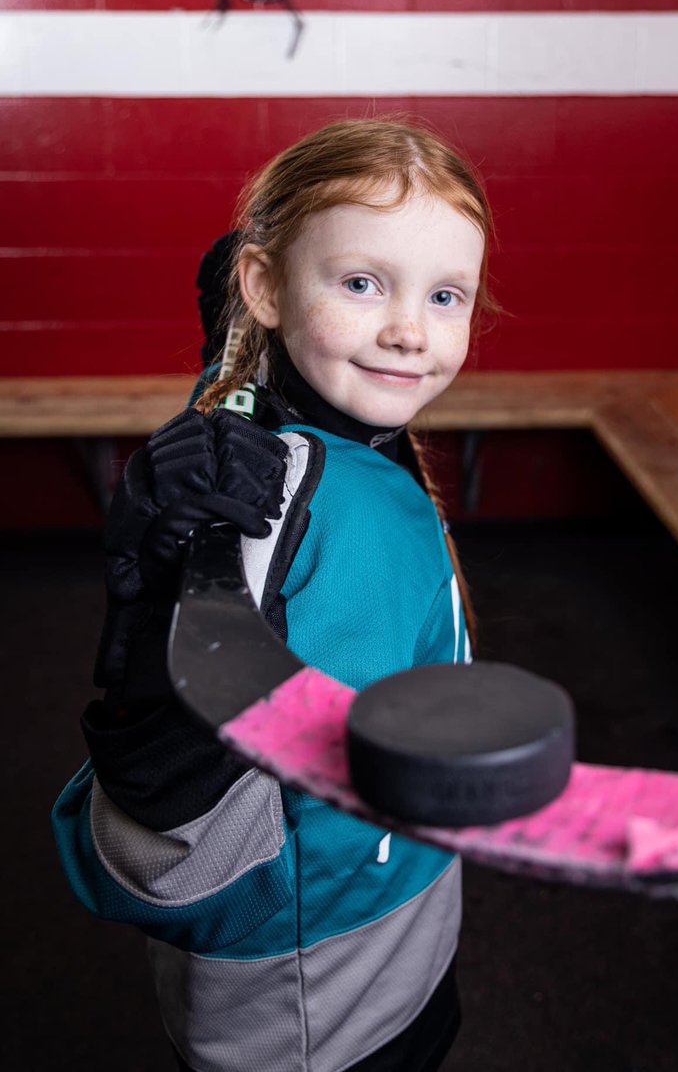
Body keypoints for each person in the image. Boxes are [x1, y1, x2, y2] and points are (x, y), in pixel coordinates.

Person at [52, 117, 496, 1072]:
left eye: (446, 293)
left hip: (386, 940)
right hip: (315, 1014)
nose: (410, 330)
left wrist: (274, 303)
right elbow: (165, 863)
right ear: (263, 285)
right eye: (362, 282)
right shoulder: (314, 507)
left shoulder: (307, 430)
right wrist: (150, 714)